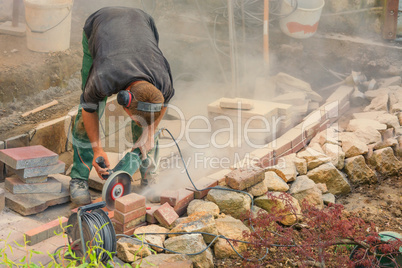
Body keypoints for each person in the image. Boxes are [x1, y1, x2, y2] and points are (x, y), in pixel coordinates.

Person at [69, 6, 174, 205]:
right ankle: (78, 178)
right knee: (86, 110)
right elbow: (88, 109)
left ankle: (149, 175)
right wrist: (98, 149)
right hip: (99, 27)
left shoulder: (163, 81)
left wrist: (149, 133)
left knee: (147, 123)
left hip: (143, 23)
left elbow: (162, 107)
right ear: (123, 102)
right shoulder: (102, 77)